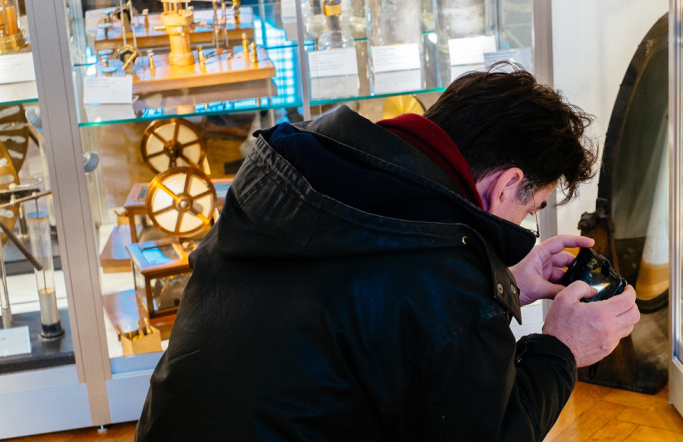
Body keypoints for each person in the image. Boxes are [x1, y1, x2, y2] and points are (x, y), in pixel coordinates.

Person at [135, 65, 641, 441]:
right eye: (531, 206)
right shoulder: (440, 278)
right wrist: (563, 348)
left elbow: (368, 307)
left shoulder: (301, 174)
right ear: (508, 184)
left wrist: (505, 281)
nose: (523, 223)